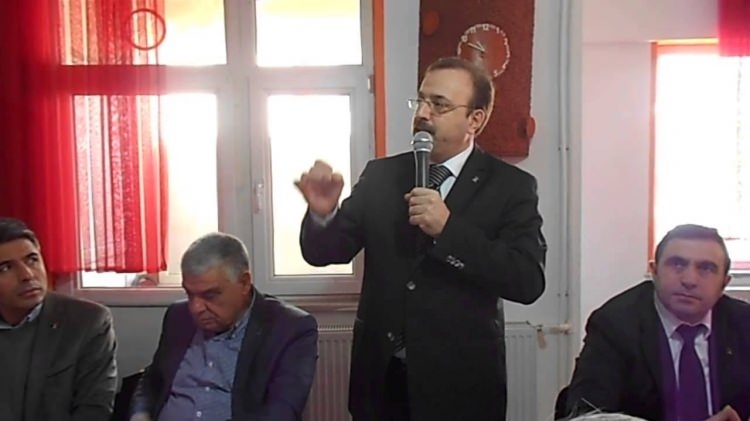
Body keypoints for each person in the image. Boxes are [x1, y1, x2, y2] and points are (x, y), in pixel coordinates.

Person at [295, 56, 547, 421]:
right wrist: (323, 214)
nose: (423, 113)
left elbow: (527, 280)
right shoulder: (382, 175)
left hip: (460, 388)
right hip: (382, 382)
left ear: (475, 120)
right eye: (421, 100)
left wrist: (449, 231)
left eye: (440, 105)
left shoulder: (510, 187)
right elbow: (324, 252)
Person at [565, 224, 750, 421]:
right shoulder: (615, 325)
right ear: (654, 271)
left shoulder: (743, 322)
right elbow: (587, 415)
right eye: (677, 264)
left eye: (706, 268)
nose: (689, 280)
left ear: (724, 283)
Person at [129, 232, 318, 421]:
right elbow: (153, 380)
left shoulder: (289, 328)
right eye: (190, 294)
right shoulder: (178, 315)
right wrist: (140, 415)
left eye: (210, 295)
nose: (195, 308)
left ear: (244, 283)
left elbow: (281, 412)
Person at [0, 217, 118, 420]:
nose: (27, 275)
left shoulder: (87, 322)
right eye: (5, 268)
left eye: (32, 260)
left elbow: (94, 410)